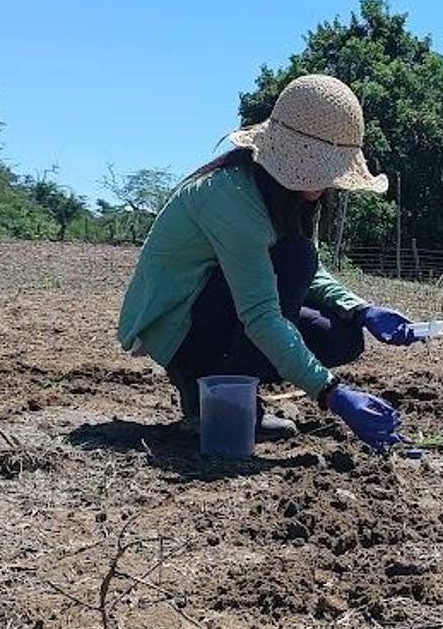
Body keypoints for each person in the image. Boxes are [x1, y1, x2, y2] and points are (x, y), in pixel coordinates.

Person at [118, 74, 420, 450]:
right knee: (296, 259)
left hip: (221, 312)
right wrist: (333, 393)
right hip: (183, 330)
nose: (325, 184)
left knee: (340, 334)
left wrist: (361, 310)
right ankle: (216, 401)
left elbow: (309, 273)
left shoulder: (278, 193)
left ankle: (231, 388)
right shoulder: (230, 197)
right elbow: (260, 314)